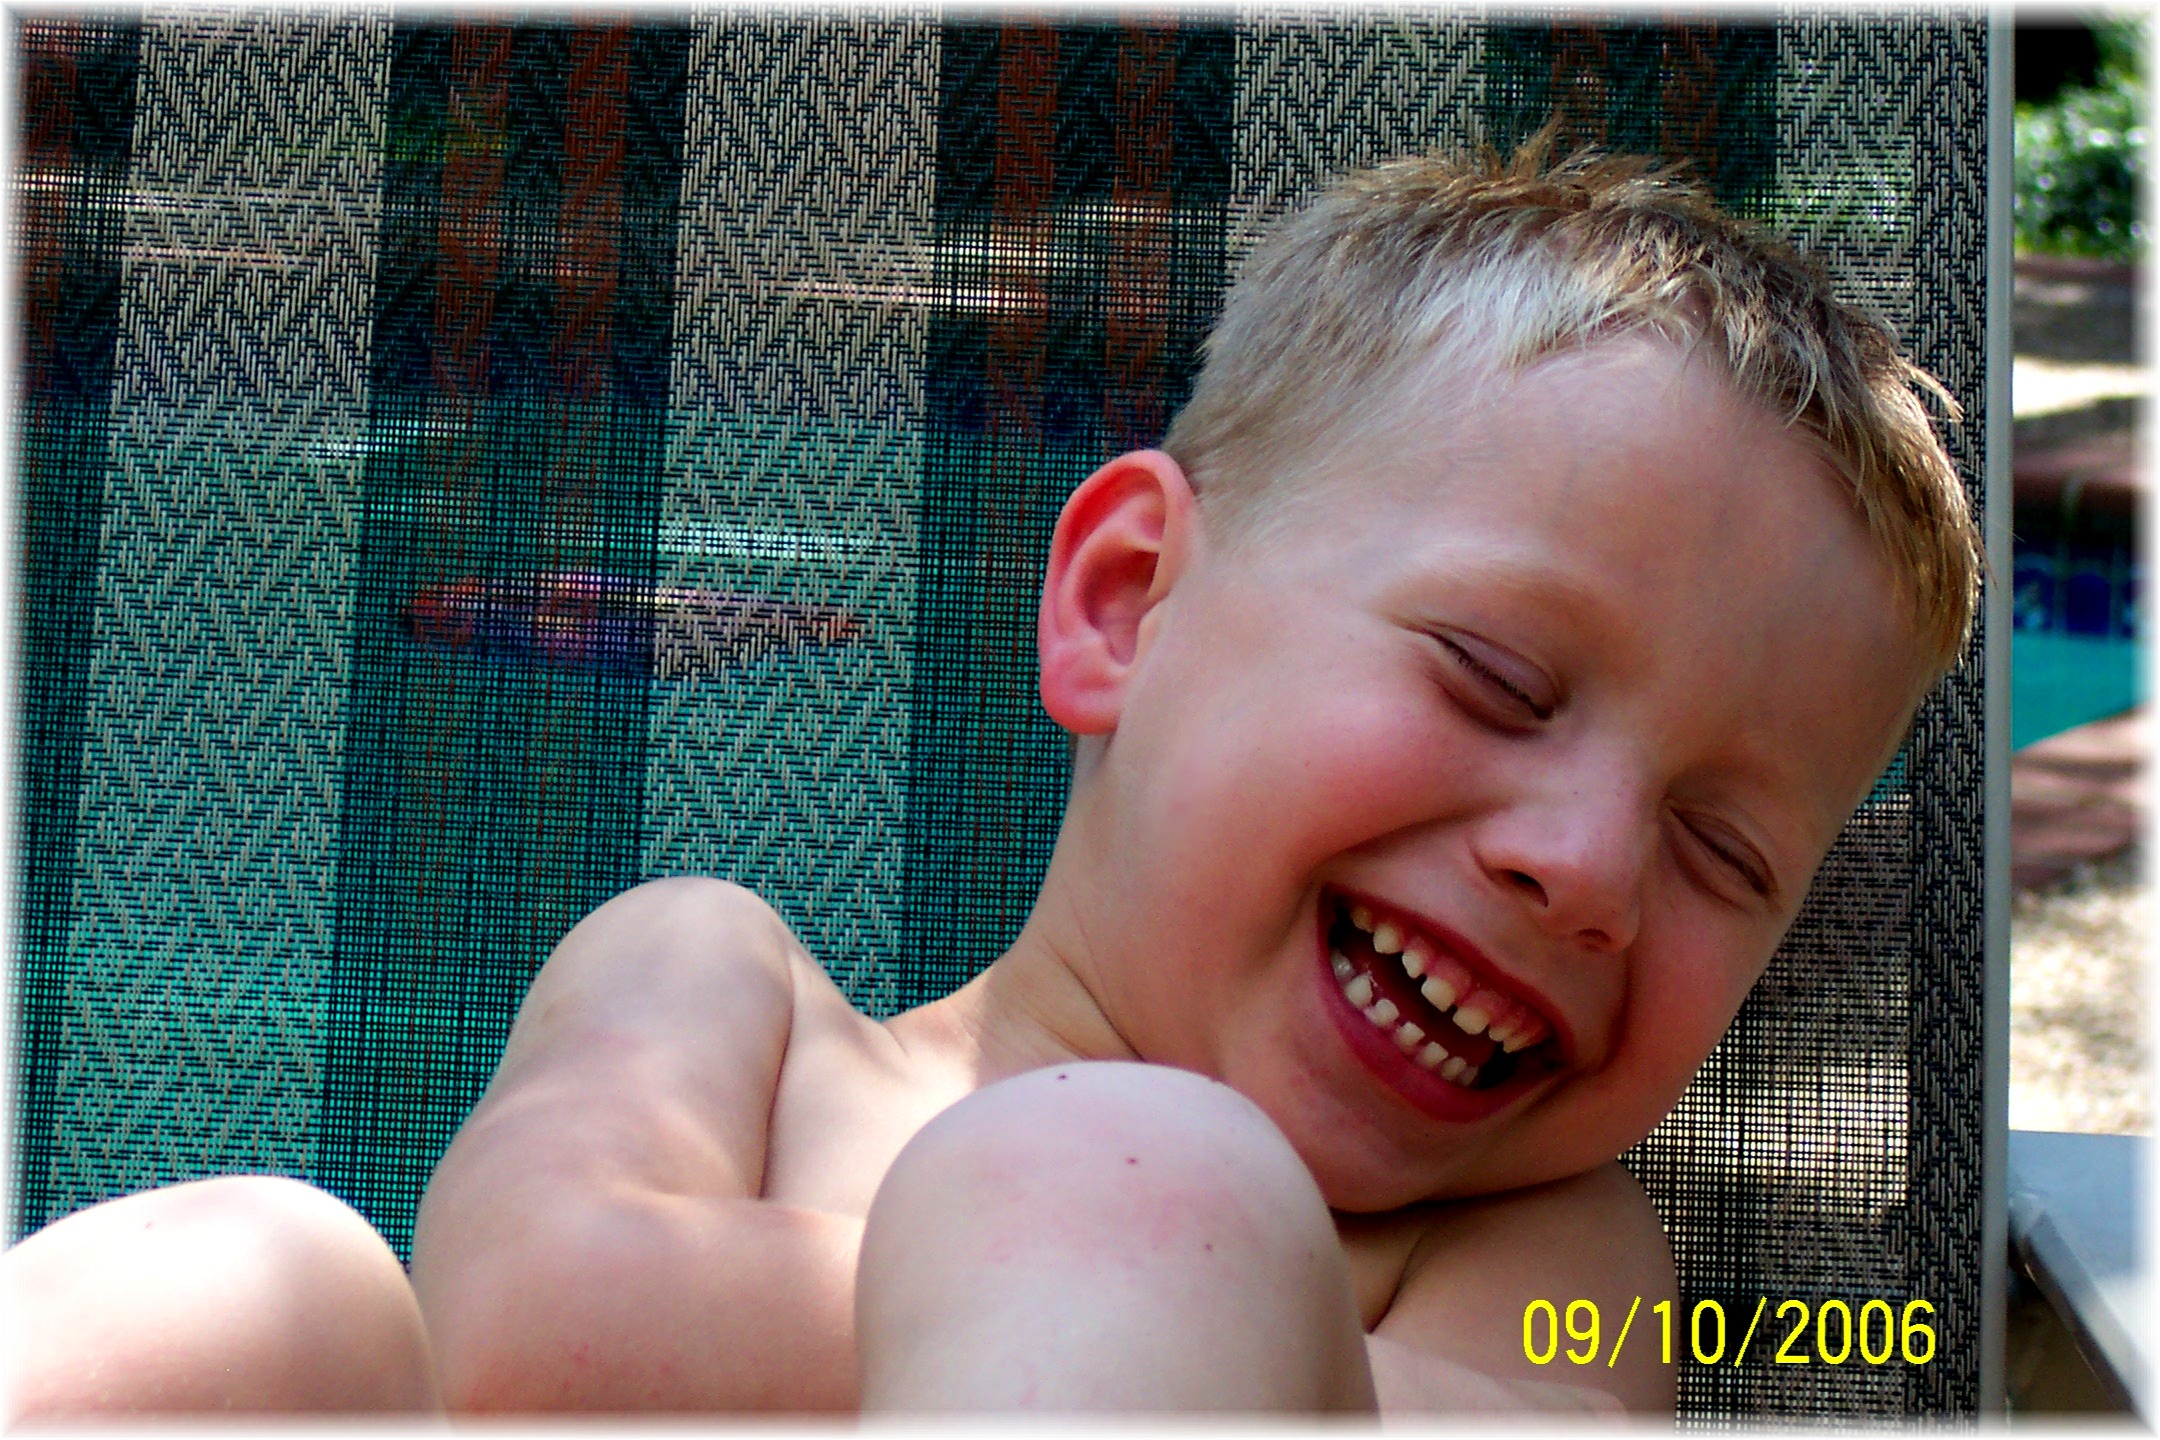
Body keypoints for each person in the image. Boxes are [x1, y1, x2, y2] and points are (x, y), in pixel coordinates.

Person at [1, 133, 1983, 1418]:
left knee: (1134, 1183)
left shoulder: (1553, 1261)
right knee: (243, 1286)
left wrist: (1121, 1256)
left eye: (1726, 851)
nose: (1591, 867)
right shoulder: (713, 988)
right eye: (1496, 678)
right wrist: (1114, 1280)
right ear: (1125, 606)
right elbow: (532, 1324)